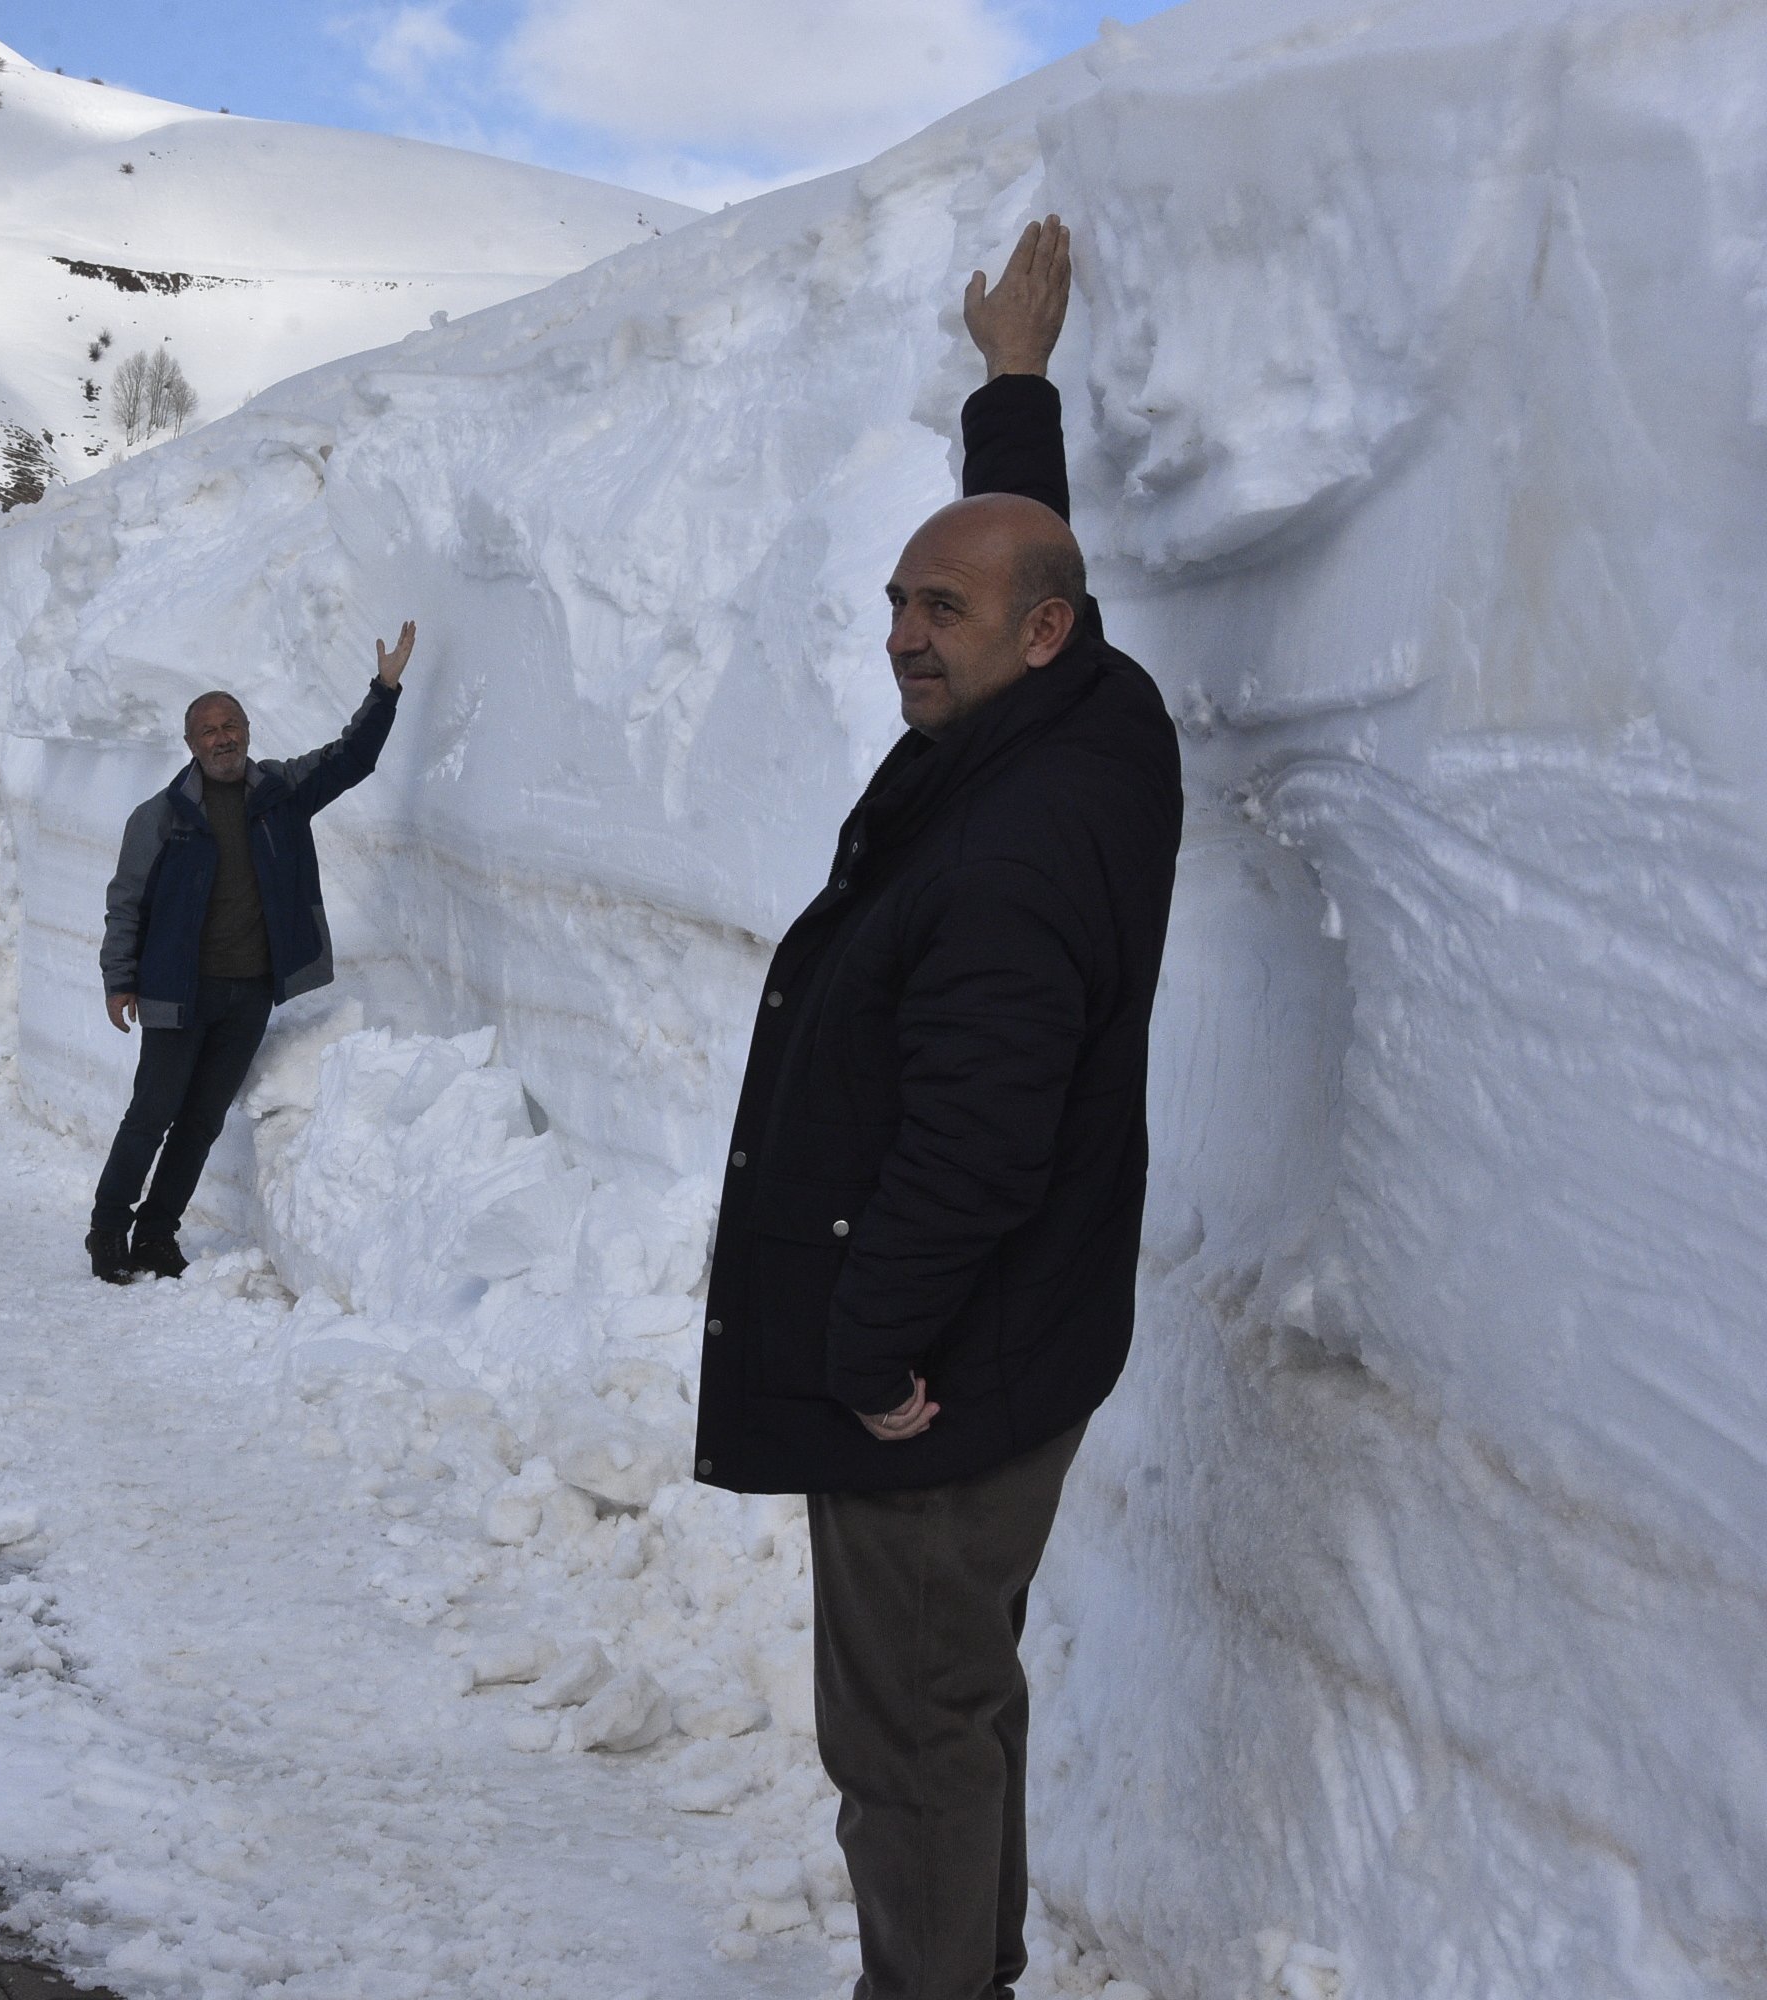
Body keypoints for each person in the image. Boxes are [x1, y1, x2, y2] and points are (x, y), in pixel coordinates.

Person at [692, 218, 1183, 2000]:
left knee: (903, 1736)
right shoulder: (1097, 720)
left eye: (937, 614)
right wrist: (1015, 391)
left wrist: (874, 1351)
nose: (902, 635)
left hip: (939, 1379)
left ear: (1034, 638)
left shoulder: (1007, 848)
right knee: (956, 1693)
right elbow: (1027, 565)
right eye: (897, 600)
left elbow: (977, 1135)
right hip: (1028, 1334)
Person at [90, 623, 416, 1282]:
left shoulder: (279, 794)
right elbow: (127, 904)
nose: (223, 737)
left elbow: (352, 759)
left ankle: (156, 1233)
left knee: (202, 1120)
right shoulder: (159, 817)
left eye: (232, 725)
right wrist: (119, 979)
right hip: (176, 993)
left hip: (249, 992)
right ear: (190, 744)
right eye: (209, 729)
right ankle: (107, 1230)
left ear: (247, 731)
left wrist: (384, 690)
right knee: (152, 1113)